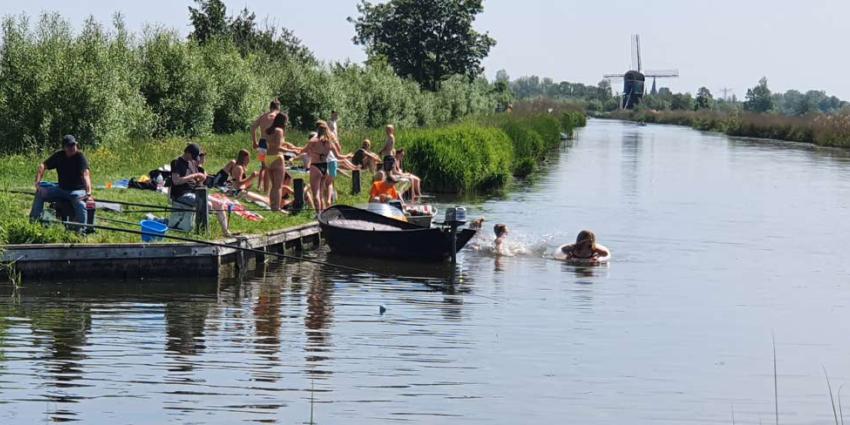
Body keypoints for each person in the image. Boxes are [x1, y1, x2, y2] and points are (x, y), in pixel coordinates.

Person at [29, 135, 93, 232]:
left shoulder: (80, 157)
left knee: (80, 203)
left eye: (74, 145)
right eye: (69, 146)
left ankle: (81, 231)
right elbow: (43, 165)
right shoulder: (59, 155)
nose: (72, 147)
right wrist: (37, 183)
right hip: (61, 189)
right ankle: (34, 223)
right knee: (40, 193)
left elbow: (86, 174)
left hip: (77, 191)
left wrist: (88, 193)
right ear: (64, 147)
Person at [170, 143, 231, 235]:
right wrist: (195, 175)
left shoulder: (192, 163)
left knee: (219, 203)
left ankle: (226, 232)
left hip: (195, 192)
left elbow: (196, 179)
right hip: (181, 194)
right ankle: (203, 232)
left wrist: (200, 180)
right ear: (188, 153)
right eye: (193, 156)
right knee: (208, 205)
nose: (193, 159)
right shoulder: (176, 163)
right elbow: (176, 181)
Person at [303, 120, 343, 211]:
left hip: (316, 167)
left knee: (315, 194)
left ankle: (318, 215)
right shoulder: (329, 142)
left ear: (317, 130)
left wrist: (291, 148)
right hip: (325, 168)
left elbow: (303, 150)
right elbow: (338, 155)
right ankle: (323, 214)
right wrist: (347, 156)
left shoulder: (313, 140)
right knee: (321, 194)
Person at [265, 112, 299, 212]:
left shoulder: (268, 130)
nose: (287, 124)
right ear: (283, 121)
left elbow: (272, 144)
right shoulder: (279, 131)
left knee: (273, 186)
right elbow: (278, 147)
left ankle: (272, 207)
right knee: (278, 186)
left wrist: (289, 145)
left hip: (268, 158)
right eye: (286, 121)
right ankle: (277, 208)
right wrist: (292, 151)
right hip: (277, 158)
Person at [250, 99, 281, 194]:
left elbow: (252, 127)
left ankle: (260, 187)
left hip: (262, 142)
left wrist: (254, 141)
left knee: (263, 166)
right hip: (271, 144)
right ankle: (267, 190)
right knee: (271, 167)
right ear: (278, 107)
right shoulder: (277, 117)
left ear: (270, 107)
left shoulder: (263, 116)